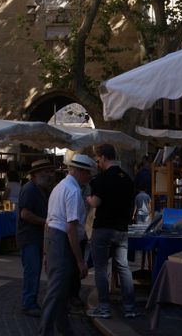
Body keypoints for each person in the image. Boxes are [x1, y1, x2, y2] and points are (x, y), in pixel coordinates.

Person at [38, 154, 95, 336]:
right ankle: (45, 332)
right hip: (62, 241)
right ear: (80, 172)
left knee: (60, 290)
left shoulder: (59, 187)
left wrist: (47, 253)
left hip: (54, 239)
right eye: (88, 174)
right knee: (56, 292)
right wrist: (80, 261)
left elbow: (49, 222)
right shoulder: (73, 191)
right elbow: (71, 228)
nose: (89, 178)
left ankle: (64, 329)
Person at [87, 144, 139, 319]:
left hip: (103, 228)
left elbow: (95, 203)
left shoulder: (102, 178)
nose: (97, 162)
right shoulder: (127, 178)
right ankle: (130, 308)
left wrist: (87, 197)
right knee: (123, 267)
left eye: (97, 159)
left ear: (103, 157)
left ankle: (104, 308)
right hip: (121, 230)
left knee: (101, 268)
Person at [16, 159, 55, 317]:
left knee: (35, 270)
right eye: (46, 171)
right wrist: (45, 221)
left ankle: (31, 301)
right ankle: (29, 303)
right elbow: (25, 214)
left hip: (36, 238)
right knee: (32, 271)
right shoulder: (29, 189)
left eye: (49, 171)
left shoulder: (41, 189)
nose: (49, 175)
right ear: (36, 174)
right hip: (29, 238)